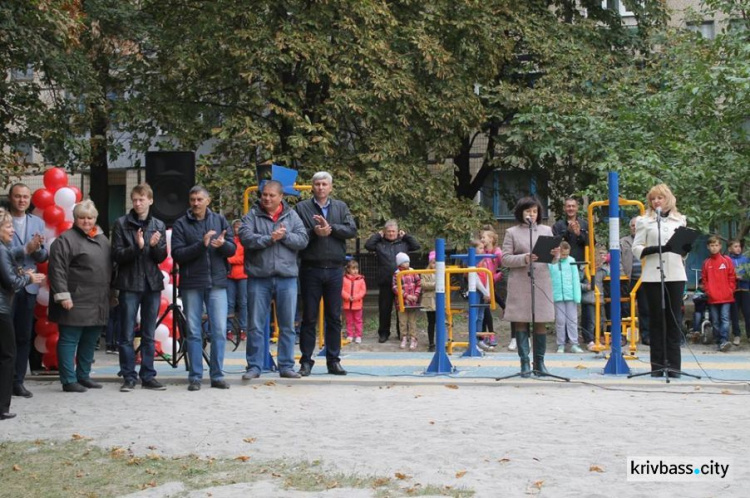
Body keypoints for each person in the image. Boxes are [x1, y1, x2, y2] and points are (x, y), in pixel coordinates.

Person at [239, 180, 308, 380]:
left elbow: (303, 240)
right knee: (256, 324)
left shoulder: (292, 215)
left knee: (287, 324)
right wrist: (270, 238)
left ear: (281, 197)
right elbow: (246, 238)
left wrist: (284, 237)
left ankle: (286, 366)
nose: (266, 198)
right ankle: (254, 366)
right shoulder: (252, 215)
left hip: (287, 278)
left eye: (271, 195)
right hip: (258, 277)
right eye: (264, 195)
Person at [171, 186, 236, 391]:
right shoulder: (181, 224)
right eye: (192, 199)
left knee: (218, 330)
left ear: (208, 201)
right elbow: (177, 254)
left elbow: (232, 249)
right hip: (192, 283)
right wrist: (202, 244)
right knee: (193, 331)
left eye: (200, 199)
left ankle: (217, 375)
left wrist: (222, 245)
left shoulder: (219, 220)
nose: (196, 203)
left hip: (217, 282)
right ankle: (195, 376)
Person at [295, 171, 357, 376]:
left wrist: (331, 228)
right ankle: (306, 361)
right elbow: (296, 233)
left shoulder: (341, 207)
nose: (321, 187)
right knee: (309, 317)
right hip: (310, 268)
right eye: (317, 184)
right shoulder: (302, 207)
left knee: (334, 317)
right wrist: (315, 232)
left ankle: (333, 360)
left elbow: (351, 229)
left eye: (324, 184)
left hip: (335, 269)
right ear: (312, 187)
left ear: (330, 187)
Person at [48, 200, 111, 393]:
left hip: (98, 299)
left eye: (90, 218)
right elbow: (57, 270)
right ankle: (68, 380)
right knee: (69, 340)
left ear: (95, 219)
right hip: (74, 299)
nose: (86, 222)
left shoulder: (102, 239)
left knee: (90, 340)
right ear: (75, 219)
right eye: (82, 218)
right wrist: (63, 296)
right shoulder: (65, 240)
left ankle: (84, 376)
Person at [111, 183, 168, 392]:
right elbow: (116, 254)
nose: (138, 203)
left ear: (150, 201)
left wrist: (153, 247)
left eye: (142, 199)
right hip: (128, 283)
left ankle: (148, 375)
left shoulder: (158, 225)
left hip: (151, 283)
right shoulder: (121, 224)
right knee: (126, 333)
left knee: (148, 333)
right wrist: (138, 247)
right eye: (135, 199)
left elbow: (161, 257)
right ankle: (128, 376)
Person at [632, 184, 689, 377]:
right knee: (656, 319)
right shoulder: (644, 221)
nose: (656, 201)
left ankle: (674, 367)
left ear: (668, 199)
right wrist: (654, 249)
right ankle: (657, 366)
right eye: (653, 198)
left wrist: (685, 248)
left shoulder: (680, 220)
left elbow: (682, 252)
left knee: (674, 319)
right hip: (652, 275)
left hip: (675, 273)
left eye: (660, 198)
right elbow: (637, 248)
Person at [501, 196, 558, 377]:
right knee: (521, 320)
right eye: (528, 211)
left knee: (540, 320)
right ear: (521, 212)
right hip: (520, 281)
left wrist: (555, 254)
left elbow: (553, 259)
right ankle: (524, 363)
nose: (532, 215)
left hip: (541, 279)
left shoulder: (547, 230)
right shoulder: (512, 232)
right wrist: (524, 257)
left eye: (535, 211)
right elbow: (505, 258)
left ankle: (540, 363)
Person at [1, 208, 45, 418]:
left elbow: (11, 257)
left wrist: (28, 250)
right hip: (2, 308)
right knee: (8, 354)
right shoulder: (1, 249)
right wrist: (29, 278)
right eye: (8, 226)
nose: (11, 230)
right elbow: (11, 281)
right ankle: (3, 407)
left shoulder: (5, 248)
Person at [7, 184, 48, 398]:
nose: (22, 200)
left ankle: (18, 381)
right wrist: (27, 249)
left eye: (25, 197)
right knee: (6, 336)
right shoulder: (3, 220)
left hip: (29, 287)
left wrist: (38, 249)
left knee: (24, 336)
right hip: (8, 284)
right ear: (10, 198)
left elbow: (43, 258)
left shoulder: (38, 223)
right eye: (17, 196)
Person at [365, 220, 420, 343]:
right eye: (388, 231)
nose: (391, 234)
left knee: (402, 309)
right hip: (385, 281)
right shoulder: (379, 244)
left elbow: (416, 246)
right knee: (384, 309)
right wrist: (377, 236)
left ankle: (402, 333)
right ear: (384, 232)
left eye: (393, 231)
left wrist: (405, 236)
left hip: (403, 284)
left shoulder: (404, 243)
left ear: (397, 231)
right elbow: (368, 246)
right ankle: (384, 333)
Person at [701, 236, 736, 352]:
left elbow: (732, 276)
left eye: (716, 245)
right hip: (712, 297)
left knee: (725, 319)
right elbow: (704, 279)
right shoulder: (706, 263)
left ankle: (724, 340)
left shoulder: (726, 260)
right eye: (712, 245)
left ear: (720, 246)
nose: (714, 248)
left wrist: (730, 289)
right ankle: (718, 340)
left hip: (726, 297)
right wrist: (708, 291)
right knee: (715, 321)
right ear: (708, 247)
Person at [620, 216, 650, 345]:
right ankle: (623, 336)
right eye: (632, 225)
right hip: (628, 280)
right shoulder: (623, 242)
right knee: (625, 308)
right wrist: (622, 276)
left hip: (644, 280)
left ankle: (646, 336)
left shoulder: (648, 241)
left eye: (637, 225)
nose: (635, 228)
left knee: (645, 308)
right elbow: (619, 260)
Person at [549, 241, 583, 354]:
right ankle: (560, 344)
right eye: (563, 254)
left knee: (572, 320)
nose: (565, 257)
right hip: (557, 295)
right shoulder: (552, 262)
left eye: (566, 254)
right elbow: (549, 277)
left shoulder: (571, 261)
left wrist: (577, 297)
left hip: (570, 295)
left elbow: (575, 279)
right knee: (560, 321)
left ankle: (574, 343)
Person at [479, 229, 503, 348]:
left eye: (484, 237)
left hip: (490, 281)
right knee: (483, 309)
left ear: (491, 239)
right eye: (481, 237)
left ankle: (490, 334)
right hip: (483, 282)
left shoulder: (496, 252)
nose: (482, 239)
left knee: (486, 308)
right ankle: (485, 335)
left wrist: (494, 277)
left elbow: (503, 267)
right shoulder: (482, 251)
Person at [392, 252, 421, 350]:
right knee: (403, 321)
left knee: (412, 321)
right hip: (402, 302)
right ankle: (403, 337)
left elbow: (419, 284)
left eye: (408, 262)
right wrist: (406, 295)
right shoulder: (397, 274)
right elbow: (395, 287)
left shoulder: (413, 272)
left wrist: (416, 295)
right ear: (400, 264)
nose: (407, 264)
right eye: (405, 262)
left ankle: (413, 338)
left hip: (413, 302)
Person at [226, 219, 248, 343]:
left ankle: (243, 329)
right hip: (231, 276)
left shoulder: (246, 241)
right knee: (230, 303)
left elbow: (244, 258)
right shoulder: (231, 241)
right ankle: (229, 329)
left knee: (243, 303)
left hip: (243, 276)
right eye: (235, 227)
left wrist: (231, 259)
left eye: (240, 227)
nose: (237, 230)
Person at [552, 197, 589, 264]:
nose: (571, 208)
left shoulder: (585, 225)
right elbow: (554, 244)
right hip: (563, 263)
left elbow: (591, 244)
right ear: (564, 208)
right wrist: (567, 232)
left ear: (577, 208)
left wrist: (579, 234)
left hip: (581, 264)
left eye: (573, 206)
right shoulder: (557, 226)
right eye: (568, 206)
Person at [727, 239, 749, 346]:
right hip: (733, 291)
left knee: (747, 313)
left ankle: (749, 335)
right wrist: (734, 277)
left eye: (739, 246)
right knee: (734, 314)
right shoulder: (727, 260)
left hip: (745, 289)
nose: (738, 248)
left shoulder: (745, 259)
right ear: (730, 249)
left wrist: (743, 277)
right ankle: (737, 335)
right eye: (735, 246)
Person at [341, 260, 366, 344]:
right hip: (347, 304)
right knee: (349, 320)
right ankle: (350, 335)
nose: (355, 271)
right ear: (348, 269)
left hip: (357, 304)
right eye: (353, 268)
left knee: (358, 320)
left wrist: (355, 297)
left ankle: (358, 335)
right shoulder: (344, 279)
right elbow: (341, 290)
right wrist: (348, 297)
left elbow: (363, 291)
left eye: (356, 268)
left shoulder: (361, 279)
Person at [421, 254, 437, 352]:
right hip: (429, 300)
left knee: (440, 322)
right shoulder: (425, 273)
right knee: (431, 322)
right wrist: (435, 285)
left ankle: (440, 341)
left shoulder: (442, 272)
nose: (435, 265)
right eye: (433, 263)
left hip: (439, 300)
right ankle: (431, 343)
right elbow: (423, 284)